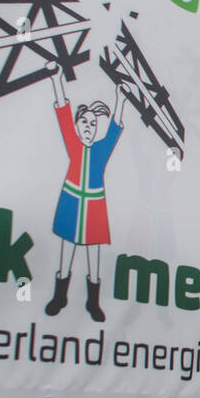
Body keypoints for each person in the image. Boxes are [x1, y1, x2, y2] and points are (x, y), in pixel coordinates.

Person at [44, 66, 126, 322]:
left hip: (94, 208)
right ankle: (61, 296)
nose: (89, 127)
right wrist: (57, 80)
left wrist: (120, 100)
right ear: (77, 127)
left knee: (94, 256)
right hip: (71, 201)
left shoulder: (100, 151)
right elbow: (63, 113)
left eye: (93, 123)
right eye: (84, 122)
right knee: (66, 251)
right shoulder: (74, 147)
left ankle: (93, 302)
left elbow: (114, 131)